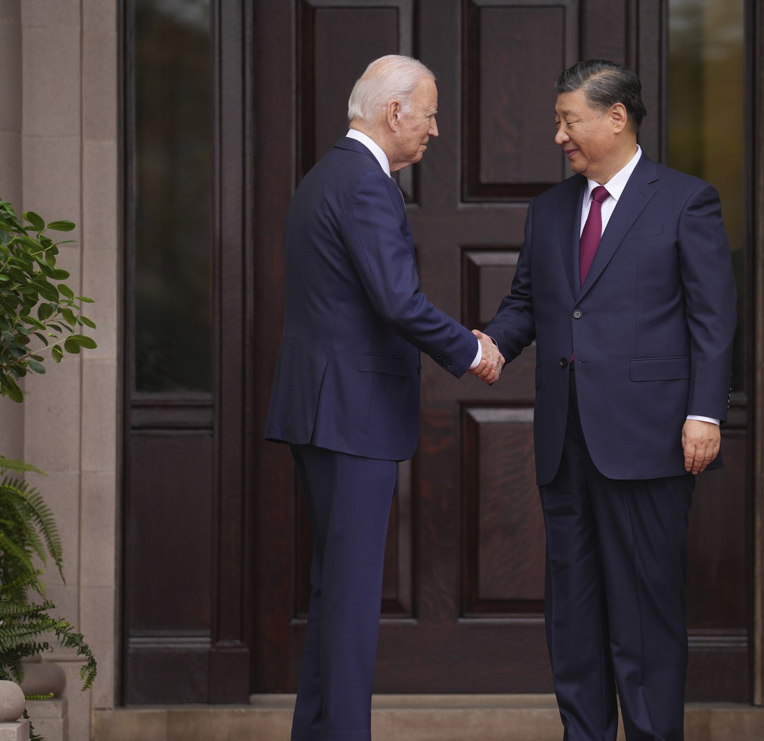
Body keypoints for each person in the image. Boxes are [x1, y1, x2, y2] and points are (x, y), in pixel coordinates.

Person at [482, 59, 737, 741]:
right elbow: (526, 303)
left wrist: (703, 412)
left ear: (615, 116)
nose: (559, 135)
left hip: (651, 439)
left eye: (569, 120)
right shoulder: (548, 209)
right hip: (566, 444)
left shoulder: (686, 200)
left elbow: (712, 319)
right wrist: (490, 345)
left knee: (645, 615)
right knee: (573, 613)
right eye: (558, 121)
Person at [264, 54, 503, 741]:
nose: (433, 131)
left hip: (322, 411)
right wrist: (470, 348)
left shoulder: (324, 176)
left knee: (333, 592)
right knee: (349, 599)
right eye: (428, 114)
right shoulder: (367, 186)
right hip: (352, 416)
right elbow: (397, 301)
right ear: (394, 111)